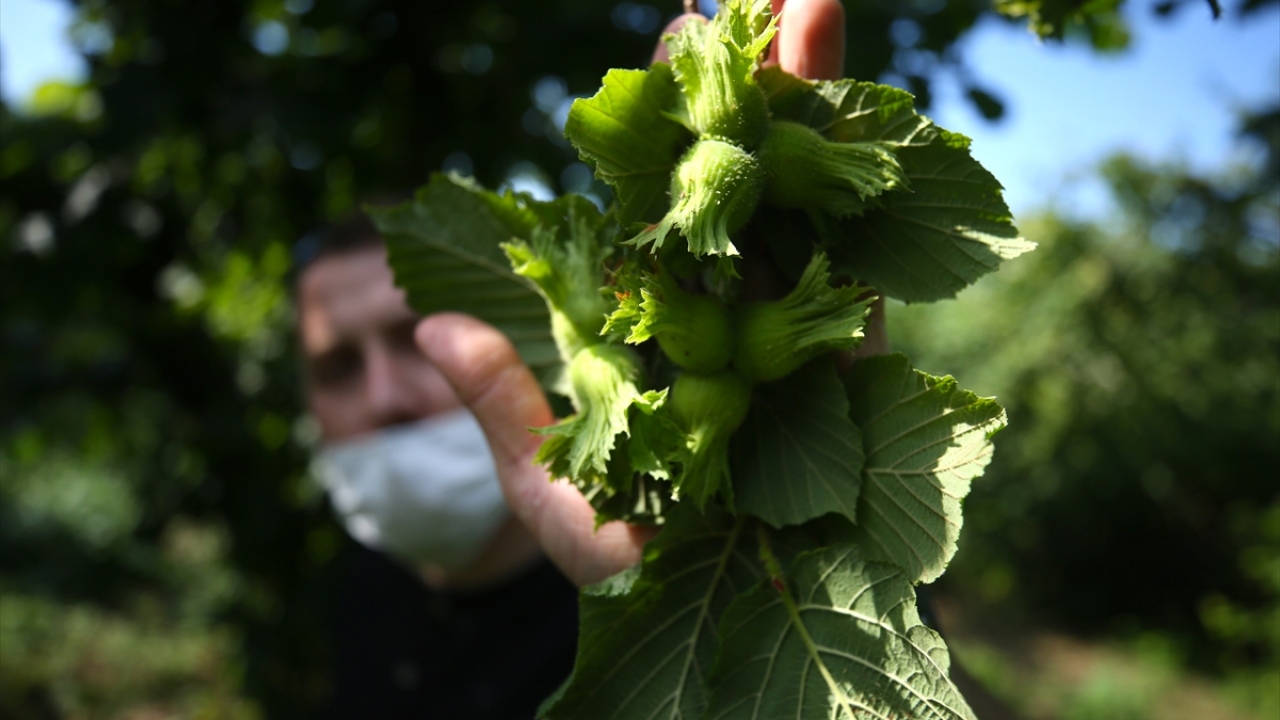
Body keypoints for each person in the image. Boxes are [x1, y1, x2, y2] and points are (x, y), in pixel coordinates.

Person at [295, 2, 973, 718]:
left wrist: (793, 549)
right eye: (336, 366)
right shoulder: (360, 594)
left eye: (412, 340)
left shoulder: (662, 563)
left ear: (513, 340)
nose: (385, 396)